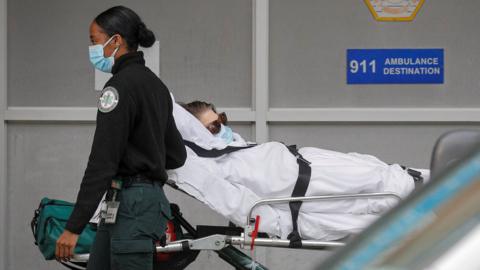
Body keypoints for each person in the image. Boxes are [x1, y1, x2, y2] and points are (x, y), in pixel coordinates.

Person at [169, 100, 428, 240]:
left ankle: (435, 184)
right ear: (199, 135)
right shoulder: (215, 166)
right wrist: (278, 223)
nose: (222, 128)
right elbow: (237, 203)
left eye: (221, 119)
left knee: (379, 174)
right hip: (308, 188)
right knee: (383, 189)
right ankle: (440, 190)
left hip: (311, 167)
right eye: (214, 126)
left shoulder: (236, 149)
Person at [55, 6, 186, 270]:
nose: (91, 48)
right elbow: (176, 154)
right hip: (137, 203)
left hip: (131, 205)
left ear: (116, 40)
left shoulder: (118, 89)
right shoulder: (156, 87)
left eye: (94, 40)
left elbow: (102, 162)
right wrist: (144, 152)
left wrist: (73, 227)